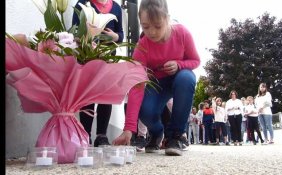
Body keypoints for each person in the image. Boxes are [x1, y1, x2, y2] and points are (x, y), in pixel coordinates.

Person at [112, 0, 200, 156]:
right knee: (146, 110)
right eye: (145, 26)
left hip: (179, 78)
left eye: (157, 26)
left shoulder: (182, 33)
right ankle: (157, 132)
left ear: (167, 18)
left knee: (187, 78)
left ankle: (175, 136)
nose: (152, 32)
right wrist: (129, 129)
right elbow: (137, 85)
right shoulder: (142, 46)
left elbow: (195, 61)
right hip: (157, 83)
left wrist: (179, 65)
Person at [72, 0, 124, 146]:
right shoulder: (83, 4)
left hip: (108, 58)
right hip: (87, 57)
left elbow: (121, 34)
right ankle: (85, 134)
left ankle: (102, 135)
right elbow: (75, 31)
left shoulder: (116, 8)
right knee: (88, 96)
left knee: (106, 97)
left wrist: (115, 37)